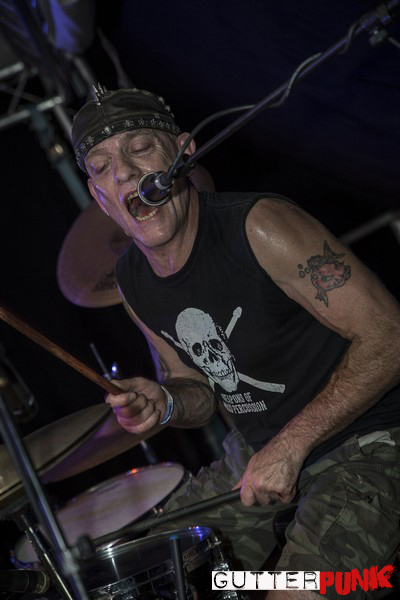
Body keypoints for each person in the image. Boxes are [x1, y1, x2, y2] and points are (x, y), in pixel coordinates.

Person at [71, 86, 400, 599]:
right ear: (98, 197)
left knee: (294, 591)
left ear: (183, 153)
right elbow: (196, 388)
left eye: (140, 149)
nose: (125, 173)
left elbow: (391, 336)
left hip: (369, 444)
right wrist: (166, 401)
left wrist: (291, 444)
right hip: (254, 454)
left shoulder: (259, 225)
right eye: (102, 166)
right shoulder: (132, 280)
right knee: (150, 578)